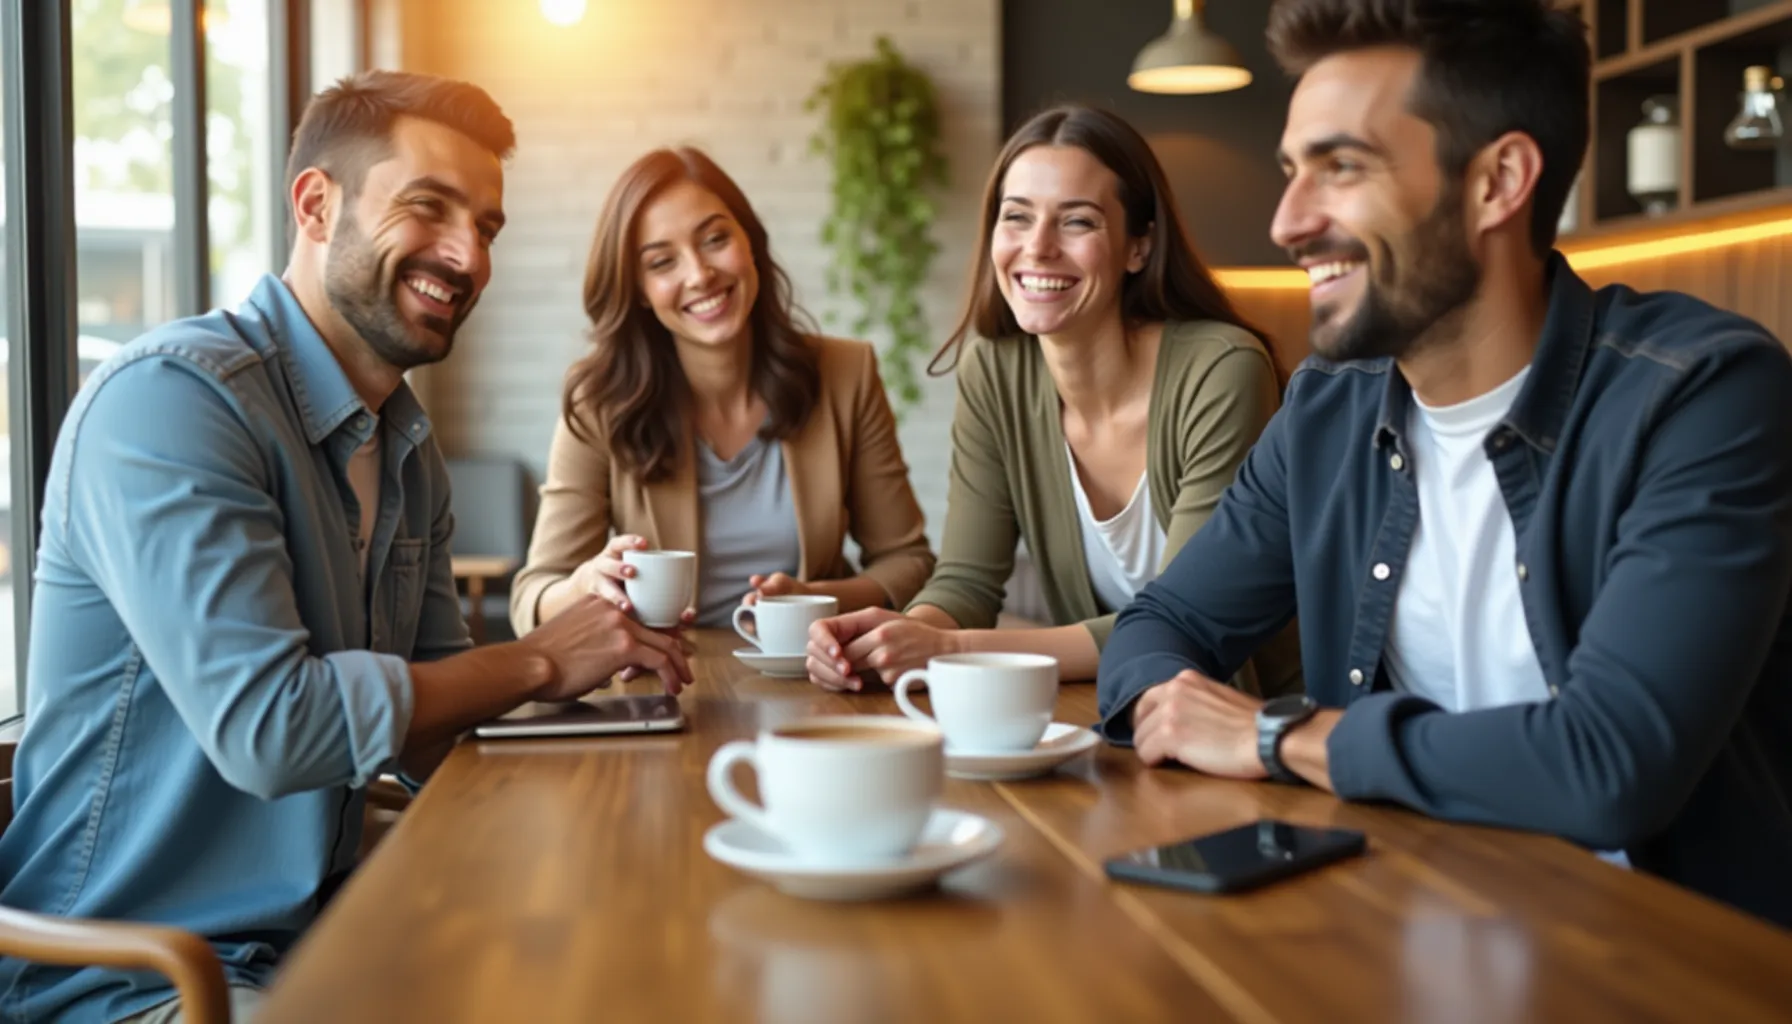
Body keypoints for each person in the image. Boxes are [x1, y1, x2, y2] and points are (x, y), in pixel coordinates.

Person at [0, 71, 692, 1023]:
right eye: (428, 207)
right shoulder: (172, 403)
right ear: (316, 205)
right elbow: (274, 730)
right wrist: (537, 656)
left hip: (325, 931)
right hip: (135, 980)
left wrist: (595, 709)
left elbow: (436, 729)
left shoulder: (406, 449)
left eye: (486, 226)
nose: (466, 256)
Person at [1097, 0, 1792, 927]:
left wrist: (1276, 735)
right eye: (1291, 171)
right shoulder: (1325, 410)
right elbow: (1163, 622)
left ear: (1498, 181)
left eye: (1341, 166)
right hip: (1398, 917)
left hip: (1660, 957)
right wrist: (1179, 712)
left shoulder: (1703, 395)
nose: (1287, 222)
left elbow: (1608, 766)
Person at [806, 105, 1300, 693]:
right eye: (1016, 218)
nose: (1037, 248)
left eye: (1077, 222)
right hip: (1110, 714)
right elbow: (966, 582)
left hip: (1253, 719)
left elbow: (1185, 620)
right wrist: (896, 637)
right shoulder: (995, 367)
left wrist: (949, 648)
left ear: (1137, 247)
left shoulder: (1220, 370)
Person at [509, 147, 934, 639]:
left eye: (714, 239)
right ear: (639, 290)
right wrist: (585, 584)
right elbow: (532, 597)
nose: (699, 274)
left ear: (749, 241)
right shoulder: (599, 400)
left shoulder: (845, 374)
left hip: (814, 676)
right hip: (662, 688)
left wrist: (816, 598)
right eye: (662, 261)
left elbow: (909, 561)